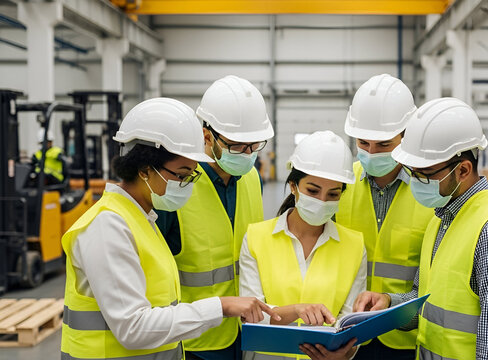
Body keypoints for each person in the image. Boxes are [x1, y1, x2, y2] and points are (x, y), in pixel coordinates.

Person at [60, 98, 278, 360]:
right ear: (144, 169)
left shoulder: (141, 219)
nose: (187, 183)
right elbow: (133, 328)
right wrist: (220, 306)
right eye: (182, 174)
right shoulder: (107, 226)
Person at [353, 98, 488, 360]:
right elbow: (427, 302)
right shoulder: (441, 220)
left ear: (463, 170)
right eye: (412, 171)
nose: (415, 181)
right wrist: (389, 304)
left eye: (425, 173)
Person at [155, 76, 273, 360]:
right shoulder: (176, 187)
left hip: (246, 333)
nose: (248, 155)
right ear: (207, 137)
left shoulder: (251, 178)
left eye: (255, 145)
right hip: (196, 342)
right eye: (237, 146)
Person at [240, 131, 367, 360]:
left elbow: (351, 322)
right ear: (293, 186)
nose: (322, 201)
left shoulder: (354, 245)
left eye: (333, 194)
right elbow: (250, 318)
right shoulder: (256, 238)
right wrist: (296, 310)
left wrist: (344, 354)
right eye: (313, 190)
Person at [335, 74, 435, 360]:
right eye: (363, 143)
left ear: (406, 136)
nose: (371, 152)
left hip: (406, 338)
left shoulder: (429, 192)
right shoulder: (342, 185)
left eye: (383, 144)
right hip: (347, 336)